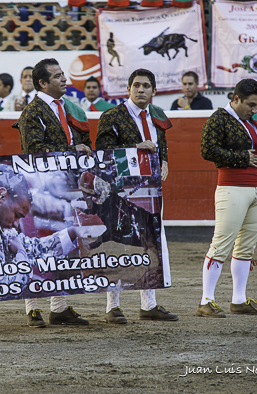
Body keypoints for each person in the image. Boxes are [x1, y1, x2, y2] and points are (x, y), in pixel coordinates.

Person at [198, 79, 257, 318]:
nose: (255, 109)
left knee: (246, 247)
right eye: (251, 104)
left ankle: (238, 299)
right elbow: (207, 150)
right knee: (221, 244)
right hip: (232, 188)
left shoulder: (255, 122)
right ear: (236, 99)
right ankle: (206, 301)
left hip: (256, 190)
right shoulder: (218, 119)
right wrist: (241, 158)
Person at [95, 68, 178, 323]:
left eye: (146, 86)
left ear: (153, 91)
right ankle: (112, 306)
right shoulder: (112, 116)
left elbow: (161, 145)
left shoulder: (157, 117)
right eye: (136, 85)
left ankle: (149, 304)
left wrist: (163, 160)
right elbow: (102, 153)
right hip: (119, 193)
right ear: (129, 89)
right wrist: (133, 149)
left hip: (149, 192)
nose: (141, 90)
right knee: (118, 244)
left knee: (150, 243)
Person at [14, 58, 93, 327]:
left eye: (63, 74)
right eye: (57, 76)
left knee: (63, 245)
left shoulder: (70, 109)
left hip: (68, 188)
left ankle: (59, 306)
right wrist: (73, 152)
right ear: (43, 83)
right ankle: (32, 307)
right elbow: (36, 151)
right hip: (40, 189)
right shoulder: (32, 112)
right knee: (36, 244)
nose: (64, 79)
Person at [0, 171, 88, 316]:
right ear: (2, 195)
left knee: (53, 290)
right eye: (17, 215)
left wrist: (73, 232)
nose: (17, 224)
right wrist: (21, 254)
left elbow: (31, 247)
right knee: (49, 288)